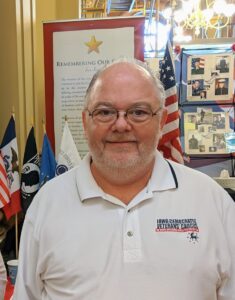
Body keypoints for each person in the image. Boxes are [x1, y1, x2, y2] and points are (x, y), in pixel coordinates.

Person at [13, 59, 235, 300]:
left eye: (138, 112)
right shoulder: (47, 203)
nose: (120, 125)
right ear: (86, 122)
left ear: (161, 122)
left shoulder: (211, 201)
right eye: (105, 112)